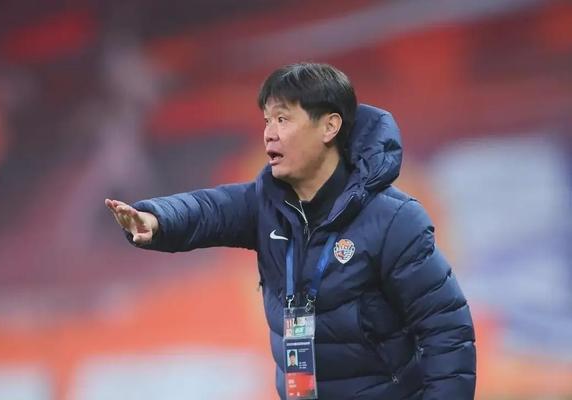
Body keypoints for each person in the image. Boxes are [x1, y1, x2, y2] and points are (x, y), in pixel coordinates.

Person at [105, 63, 476, 399]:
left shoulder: (393, 219)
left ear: (329, 126)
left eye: (283, 119)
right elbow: (208, 209)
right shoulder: (265, 205)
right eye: (267, 120)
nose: (269, 134)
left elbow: (446, 329)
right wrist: (156, 220)